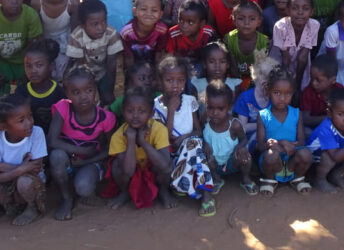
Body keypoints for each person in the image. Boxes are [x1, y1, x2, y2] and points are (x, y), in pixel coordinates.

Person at [47, 66, 116, 220]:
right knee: (57, 156)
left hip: (90, 163)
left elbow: (111, 149)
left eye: (88, 90)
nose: (83, 96)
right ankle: (66, 198)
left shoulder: (106, 117)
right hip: (68, 158)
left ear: (95, 91)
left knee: (83, 188)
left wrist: (88, 159)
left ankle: (84, 192)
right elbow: (52, 140)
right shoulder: (63, 108)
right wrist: (84, 152)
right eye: (76, 92)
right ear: (67, 94)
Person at [156, 57, 215, 215]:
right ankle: (200, 189)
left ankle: (205, 194)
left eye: (180, 80)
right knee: (194, 147)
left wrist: (184, 138)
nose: (175, 85)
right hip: (169, 153)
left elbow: (198, 130)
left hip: (190, 149)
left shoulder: (189, 101)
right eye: (169, 80)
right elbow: (164, 138)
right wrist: (171, 111)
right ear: (160, 81)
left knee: (194, 143)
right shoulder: (156, 106)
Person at [0, 93, 47, 225]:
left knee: (24, 182)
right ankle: (3, 205)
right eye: (21, 120)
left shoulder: (37, 133)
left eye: (30, 116)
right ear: (4, 126)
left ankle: (31, 208)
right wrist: (22, 168)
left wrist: (1, 166)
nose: (29, 123)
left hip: (29, 183)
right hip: (5, 184)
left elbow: (35, 168)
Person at [105, 87, 173, 210]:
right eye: (130, 111)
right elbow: (128, 172)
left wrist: (143, 141)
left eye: (142, 111)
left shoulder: (159, 129)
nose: (135, 115)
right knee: (116, 165)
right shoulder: (119, 135)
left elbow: (165, 166)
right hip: (132, 171)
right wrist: (131, 141)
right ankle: (125, 192)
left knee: (166, 165)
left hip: (153, 170)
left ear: (151, 114)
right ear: (123, 111)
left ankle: (163, 191)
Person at [256, 68, 312, 195]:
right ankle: (269, 180)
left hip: (293, 160)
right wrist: (279, 144)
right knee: (271, 156)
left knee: (306, 154)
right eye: (277, 93)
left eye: (287, 94)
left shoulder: (296, 113)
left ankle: (297, 178)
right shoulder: (263, 115)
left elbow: (302, 141)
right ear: (269, 91)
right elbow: (260, 146)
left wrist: (288, 145)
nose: (282, 98)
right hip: (272, 163)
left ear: (293, 94)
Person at [201, 80, 257, 196]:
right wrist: (204, 144)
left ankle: (245, 178)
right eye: (210, 108)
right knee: (203, 158)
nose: (215, 112)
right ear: (205, 103)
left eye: (220, 109)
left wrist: (240, 148)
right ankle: (216, 179)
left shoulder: (234, 125)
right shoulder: (205, 120)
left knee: (245, 155)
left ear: (229, 107)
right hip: (213, 163)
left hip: (232, 162)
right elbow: (201, 135)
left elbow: (244, 139)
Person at [66, 0, 124, 106]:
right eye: (95, 24)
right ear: (83, 25)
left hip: (103, 71)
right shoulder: (77, 37)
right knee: (84, 99)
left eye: (104, 22)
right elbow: (81, 65)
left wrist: (109, 90)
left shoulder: (111, 34)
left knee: (108, 98)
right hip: (82, 71)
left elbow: (112, 64)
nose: (101, 28)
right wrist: (90, 85)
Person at [31, 0, 77, 81]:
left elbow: (75, 33)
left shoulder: (72, 4)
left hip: (66, 42)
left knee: (64, 74)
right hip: (44, 42)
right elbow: (37, 32)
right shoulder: (36, 3)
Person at [12, 39, 66, 135]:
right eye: (28, 66)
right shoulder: (22, 92)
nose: (33, 70)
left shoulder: (59, 92)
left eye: (39, 65)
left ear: (51, 66)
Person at [270, 0, 319, 92]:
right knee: (279, 85)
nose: (300, 12)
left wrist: (297, 83)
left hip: (301, 62)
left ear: (312, 11)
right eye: (295, 8)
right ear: (287, 10)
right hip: (280, 61)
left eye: (305, 9)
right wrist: (287, 82)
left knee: (302, 88)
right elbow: (285, 57)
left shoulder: (314, 25)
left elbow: (303, 56)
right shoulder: (280, 26)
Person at [225, 0, 270, 91]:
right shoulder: (229, 39)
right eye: (241, 18)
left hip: (256, 79)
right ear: (234, 20)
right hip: (235, 78)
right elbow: (233, 69)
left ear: (259, 21)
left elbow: (261, 69)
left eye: (252, 19)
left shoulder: (265, 41)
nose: (246, 23)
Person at [121, 0, 169, 69]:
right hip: (134, 66)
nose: (148, 13)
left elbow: (159, 54)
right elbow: (128, 57)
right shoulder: (127, 32)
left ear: (160, 14)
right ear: (135, 12)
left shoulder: (162, 30)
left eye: (154, 10)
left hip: (152, 66)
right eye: (143, 9)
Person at [191, 41, 243, 108]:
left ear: (228, 64)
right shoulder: (198, 85)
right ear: (204, 64)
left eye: (222, 62)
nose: (217, 66)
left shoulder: (235, 85)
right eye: (212, 61)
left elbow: (238, 110)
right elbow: (193, 111)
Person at [166, 0, 215, 64]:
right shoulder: (173, 34)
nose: (184, 26)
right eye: (181, 20)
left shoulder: (208, 33)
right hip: (180, 65)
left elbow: (212, 56)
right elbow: (168, 58)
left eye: (190, 22)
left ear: (202, 23)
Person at [300, 53, 340, 129]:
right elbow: (305, 119)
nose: (313, 83)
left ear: (333, 80)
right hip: (314, 129)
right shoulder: (308, 92)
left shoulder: (339, 90)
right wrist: (328, 118)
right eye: (312, 78)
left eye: (318, 80)